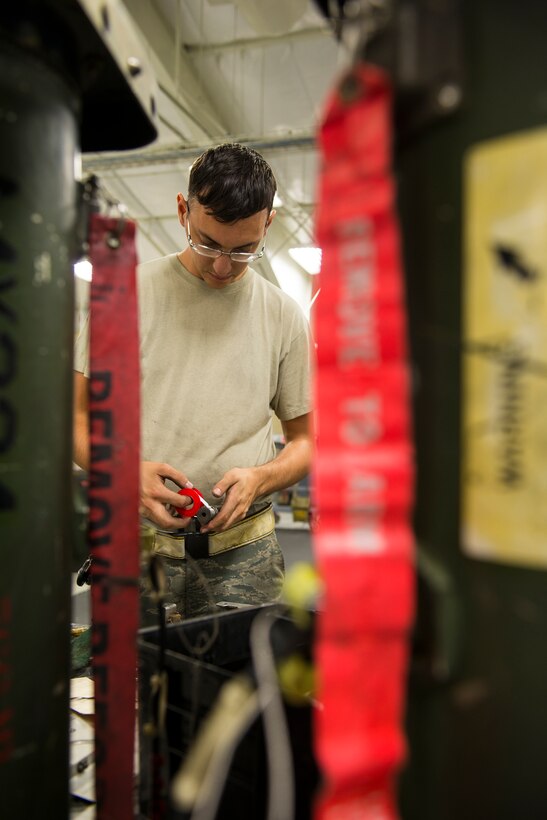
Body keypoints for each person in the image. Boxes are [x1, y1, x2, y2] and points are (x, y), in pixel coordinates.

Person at [74, 143, 313, 620]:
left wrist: (261, 477)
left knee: (242, 689)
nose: (222, 267)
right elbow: (76, 420)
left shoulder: (284, 316)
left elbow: (307, 442)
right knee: (132, 691)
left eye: (244, 249)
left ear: (267, 223)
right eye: (209, 243)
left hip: (245, 555)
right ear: (183, 211)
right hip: (138, 550)